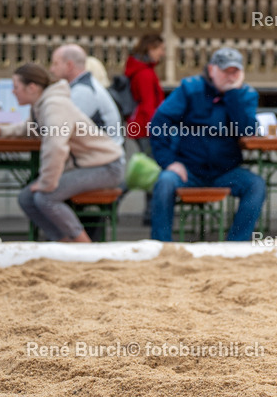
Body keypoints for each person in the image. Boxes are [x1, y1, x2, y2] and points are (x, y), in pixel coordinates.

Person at [0, 64, 124, 242]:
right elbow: (29, 129)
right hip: (86, 165)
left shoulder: (54, 105)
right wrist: (2, 132)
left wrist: (47, 182)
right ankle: (63, 241)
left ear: (32, 87)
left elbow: (55, 146)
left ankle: (83, 244)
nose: (12, 92)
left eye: (16, 87)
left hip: (106, 167)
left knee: (45, 197)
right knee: (26, 197)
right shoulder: (42, 104)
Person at [148, 47, 264, 242]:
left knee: (256, 185)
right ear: (211, 70)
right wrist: (168, 162)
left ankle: (236, 245)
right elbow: (159, 122)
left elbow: (247, 130)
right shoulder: (190, 88)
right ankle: (161, 245)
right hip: (188, 170)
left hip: (225, 172)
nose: (230, 76)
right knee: (165, 182)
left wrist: (233, 95)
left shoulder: (245, 95)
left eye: (235, 71)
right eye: (225, 71)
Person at [125, 33, 166, 225]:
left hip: (139, 126)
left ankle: (150, 211)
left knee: (148, 168)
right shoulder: (145, 73)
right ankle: (151, 213)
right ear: (150, 49)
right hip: (146, 127)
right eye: (160, 49)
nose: (162, 54)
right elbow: (150, 106)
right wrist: (158, 129)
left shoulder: (139, 70)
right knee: (150, 169)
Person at [49, 44, 123, 147]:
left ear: (69, 65)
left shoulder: (83, 91)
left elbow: (63, 129)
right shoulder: (84, 86)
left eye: (55, 64)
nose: (51, 69)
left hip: (102, 158)